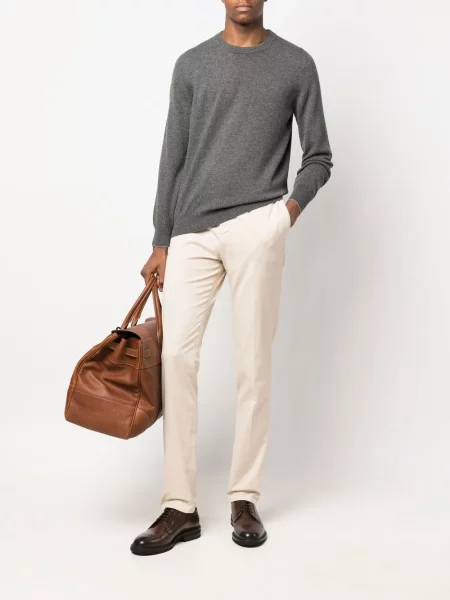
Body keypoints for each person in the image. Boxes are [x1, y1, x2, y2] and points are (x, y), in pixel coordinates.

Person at [131, 0, 333, 555]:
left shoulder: (295, 64)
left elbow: (319, 155)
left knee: (252, 362)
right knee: (177, 357)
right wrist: (161, 239)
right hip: (192, 232)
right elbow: (172, 157)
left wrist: (284, 216)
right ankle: (180, 506)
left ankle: (244, 496)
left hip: (257, 225)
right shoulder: (192, 65)